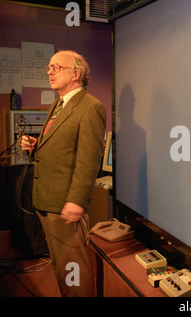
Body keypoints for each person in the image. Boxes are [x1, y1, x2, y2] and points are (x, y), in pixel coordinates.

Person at [21, 50, 106, 297]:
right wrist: (35, 147)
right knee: (61, 267)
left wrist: (77, 201)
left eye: (56, 67)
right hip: (48, 202)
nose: (49, 71)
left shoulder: (91, 107)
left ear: (76, 74)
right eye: (49, 67)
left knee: (72, 268)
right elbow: (64, 149)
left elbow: (89, 160)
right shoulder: (59, 104)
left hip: (65, 207)